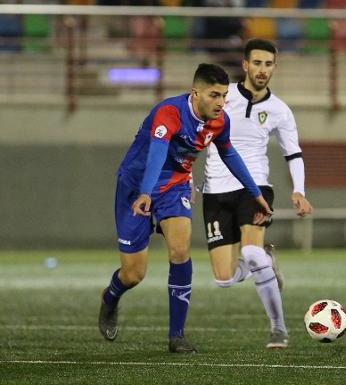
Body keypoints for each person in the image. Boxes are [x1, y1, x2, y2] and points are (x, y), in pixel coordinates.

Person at [98, 63, 272, 353]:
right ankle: (110, 297)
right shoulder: (169, 113)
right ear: (195, 93)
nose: (221, 103)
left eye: (224, 95)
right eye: (214, 95)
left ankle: (176, 335)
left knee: (180, 250)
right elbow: (156, 154)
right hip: (136, 189)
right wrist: (145, 192)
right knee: (133, 274)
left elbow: (229, 154)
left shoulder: (220, 121)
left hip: (174, 189)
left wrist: (254, 193)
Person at [200, 39, 313, 349]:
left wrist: (299, 191)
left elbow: (294, 153)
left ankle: (279, 329)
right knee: (224, 279)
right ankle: (266, 262)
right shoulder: (222, 97)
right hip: (215, 190)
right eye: (258, 63)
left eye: (269, 64)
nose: (263, 70)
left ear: (274, 67)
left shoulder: (280, 110)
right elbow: (193, 133)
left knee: (250, 252)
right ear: (245, 65)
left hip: (255, 189)